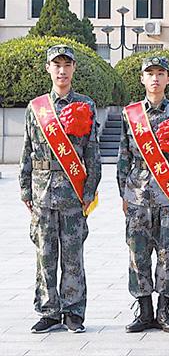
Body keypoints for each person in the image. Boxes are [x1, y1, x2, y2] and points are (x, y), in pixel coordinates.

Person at [20, 44, 102, 334]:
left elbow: (91, 151)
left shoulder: (86, 105)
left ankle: (73, 312)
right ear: (48, 69)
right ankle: (48, 311)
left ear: (74, 69)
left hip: (73, 193)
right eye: (57, 65)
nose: (62, 70)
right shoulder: (36, 107)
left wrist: (89, 191)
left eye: (67, 65)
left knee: (72, 255)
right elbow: (28, 149)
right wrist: (25, 189)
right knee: (45, 254)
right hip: (42, 193)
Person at [118, 56, 169, 333]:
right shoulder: (131, 113)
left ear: (168, 79)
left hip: (167, 194)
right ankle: (144, 310)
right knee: (137, 252)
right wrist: (122, 194)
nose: (155, 78)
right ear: (142, 78)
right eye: (149, 73)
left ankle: (164, 310)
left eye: (160, 73)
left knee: (168, 253)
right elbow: (123, 156)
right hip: (137, 194)